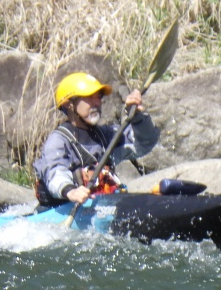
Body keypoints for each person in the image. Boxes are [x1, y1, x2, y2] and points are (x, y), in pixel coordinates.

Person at [33, 59, 160, 208]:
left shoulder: (105, 135)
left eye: (98, 97)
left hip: (101, 206)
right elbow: (54, 172)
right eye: (89, 97)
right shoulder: (58, 141)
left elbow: (143, 144)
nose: (97, 103)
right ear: (69, 104)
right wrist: (70, 191)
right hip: (64, 209)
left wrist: (137, 117)